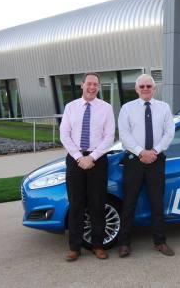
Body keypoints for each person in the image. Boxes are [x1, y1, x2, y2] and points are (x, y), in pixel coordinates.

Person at [117, 74, 175, 257]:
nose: (145, 89)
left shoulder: (164, 108)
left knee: (157, 203)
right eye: (141, 86)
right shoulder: (127, 109)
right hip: (134, 160)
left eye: (148, 86)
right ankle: (124, 243)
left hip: (156, 161)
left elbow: (169, 133)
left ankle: (160, 242)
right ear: (136, 89)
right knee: (129, 203)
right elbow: (124, 135)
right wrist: (141, 152)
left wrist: (154, 152)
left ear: (154, 88)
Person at [60, 72, 115, 261]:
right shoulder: (71, 107)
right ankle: (74, 247)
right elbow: (64, 135)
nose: (92, 87)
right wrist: (78, 157)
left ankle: (97, 245)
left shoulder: (106, 108)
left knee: (97, 203)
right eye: (89, 84)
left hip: (97, 160)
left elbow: (109, 137)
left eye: (96, 85)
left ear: (98, 87)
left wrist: (91, 157)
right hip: (75, 160)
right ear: (82, 85)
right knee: (76, 204)